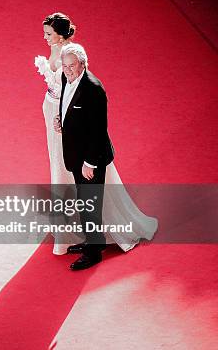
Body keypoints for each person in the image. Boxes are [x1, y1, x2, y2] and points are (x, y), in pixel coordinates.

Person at [34, 15, 157, 258]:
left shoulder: (92, 89)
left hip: (88, 149)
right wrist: (59, 117)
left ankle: (93, 246)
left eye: (48, 34)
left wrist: (90, 161)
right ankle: (84, 235)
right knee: (76, 185)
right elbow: (66, 96)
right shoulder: (71, 76)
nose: (45, 38)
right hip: (65, 129)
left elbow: (98, 129)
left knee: (89, 194)